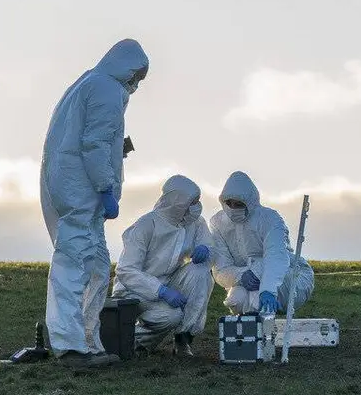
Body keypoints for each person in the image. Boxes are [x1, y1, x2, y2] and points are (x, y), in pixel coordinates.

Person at [40, 38, 148, 368]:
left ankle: (88, 340)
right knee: (74, 263)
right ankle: (70, 346)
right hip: (81, 189)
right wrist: (105, 188)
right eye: (138, 75)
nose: (137, 83)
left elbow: (87, 137)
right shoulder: (106, 89)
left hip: (74, 185)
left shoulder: (88, 82)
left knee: (98, 266)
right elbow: (95, 143)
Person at [110, 175, 214, 356]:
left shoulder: (195, 222)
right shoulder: (146, 224)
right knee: (171, 317)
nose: (197, 206)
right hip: (134, 291)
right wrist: (160, 291)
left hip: (169, 283)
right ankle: (133, 342)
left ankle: (183, 338)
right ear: (178, 202)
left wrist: (206, 248)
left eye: (198, 201)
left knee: (200, 272)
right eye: (193, 202)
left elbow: (210, 247)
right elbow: (126, 270)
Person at [210, 171, 314, 316]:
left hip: (290, 275)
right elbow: (221, 269)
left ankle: (265, 314)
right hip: (247, 280)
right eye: (229, 203)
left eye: (238, 204)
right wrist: (242, 276)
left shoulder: (270, 219)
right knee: (236, 300)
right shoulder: (218, 223)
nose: (233, 208)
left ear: (249, 201)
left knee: (257, 298)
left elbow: (276, 257)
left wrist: (268, 289)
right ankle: (255, 321)